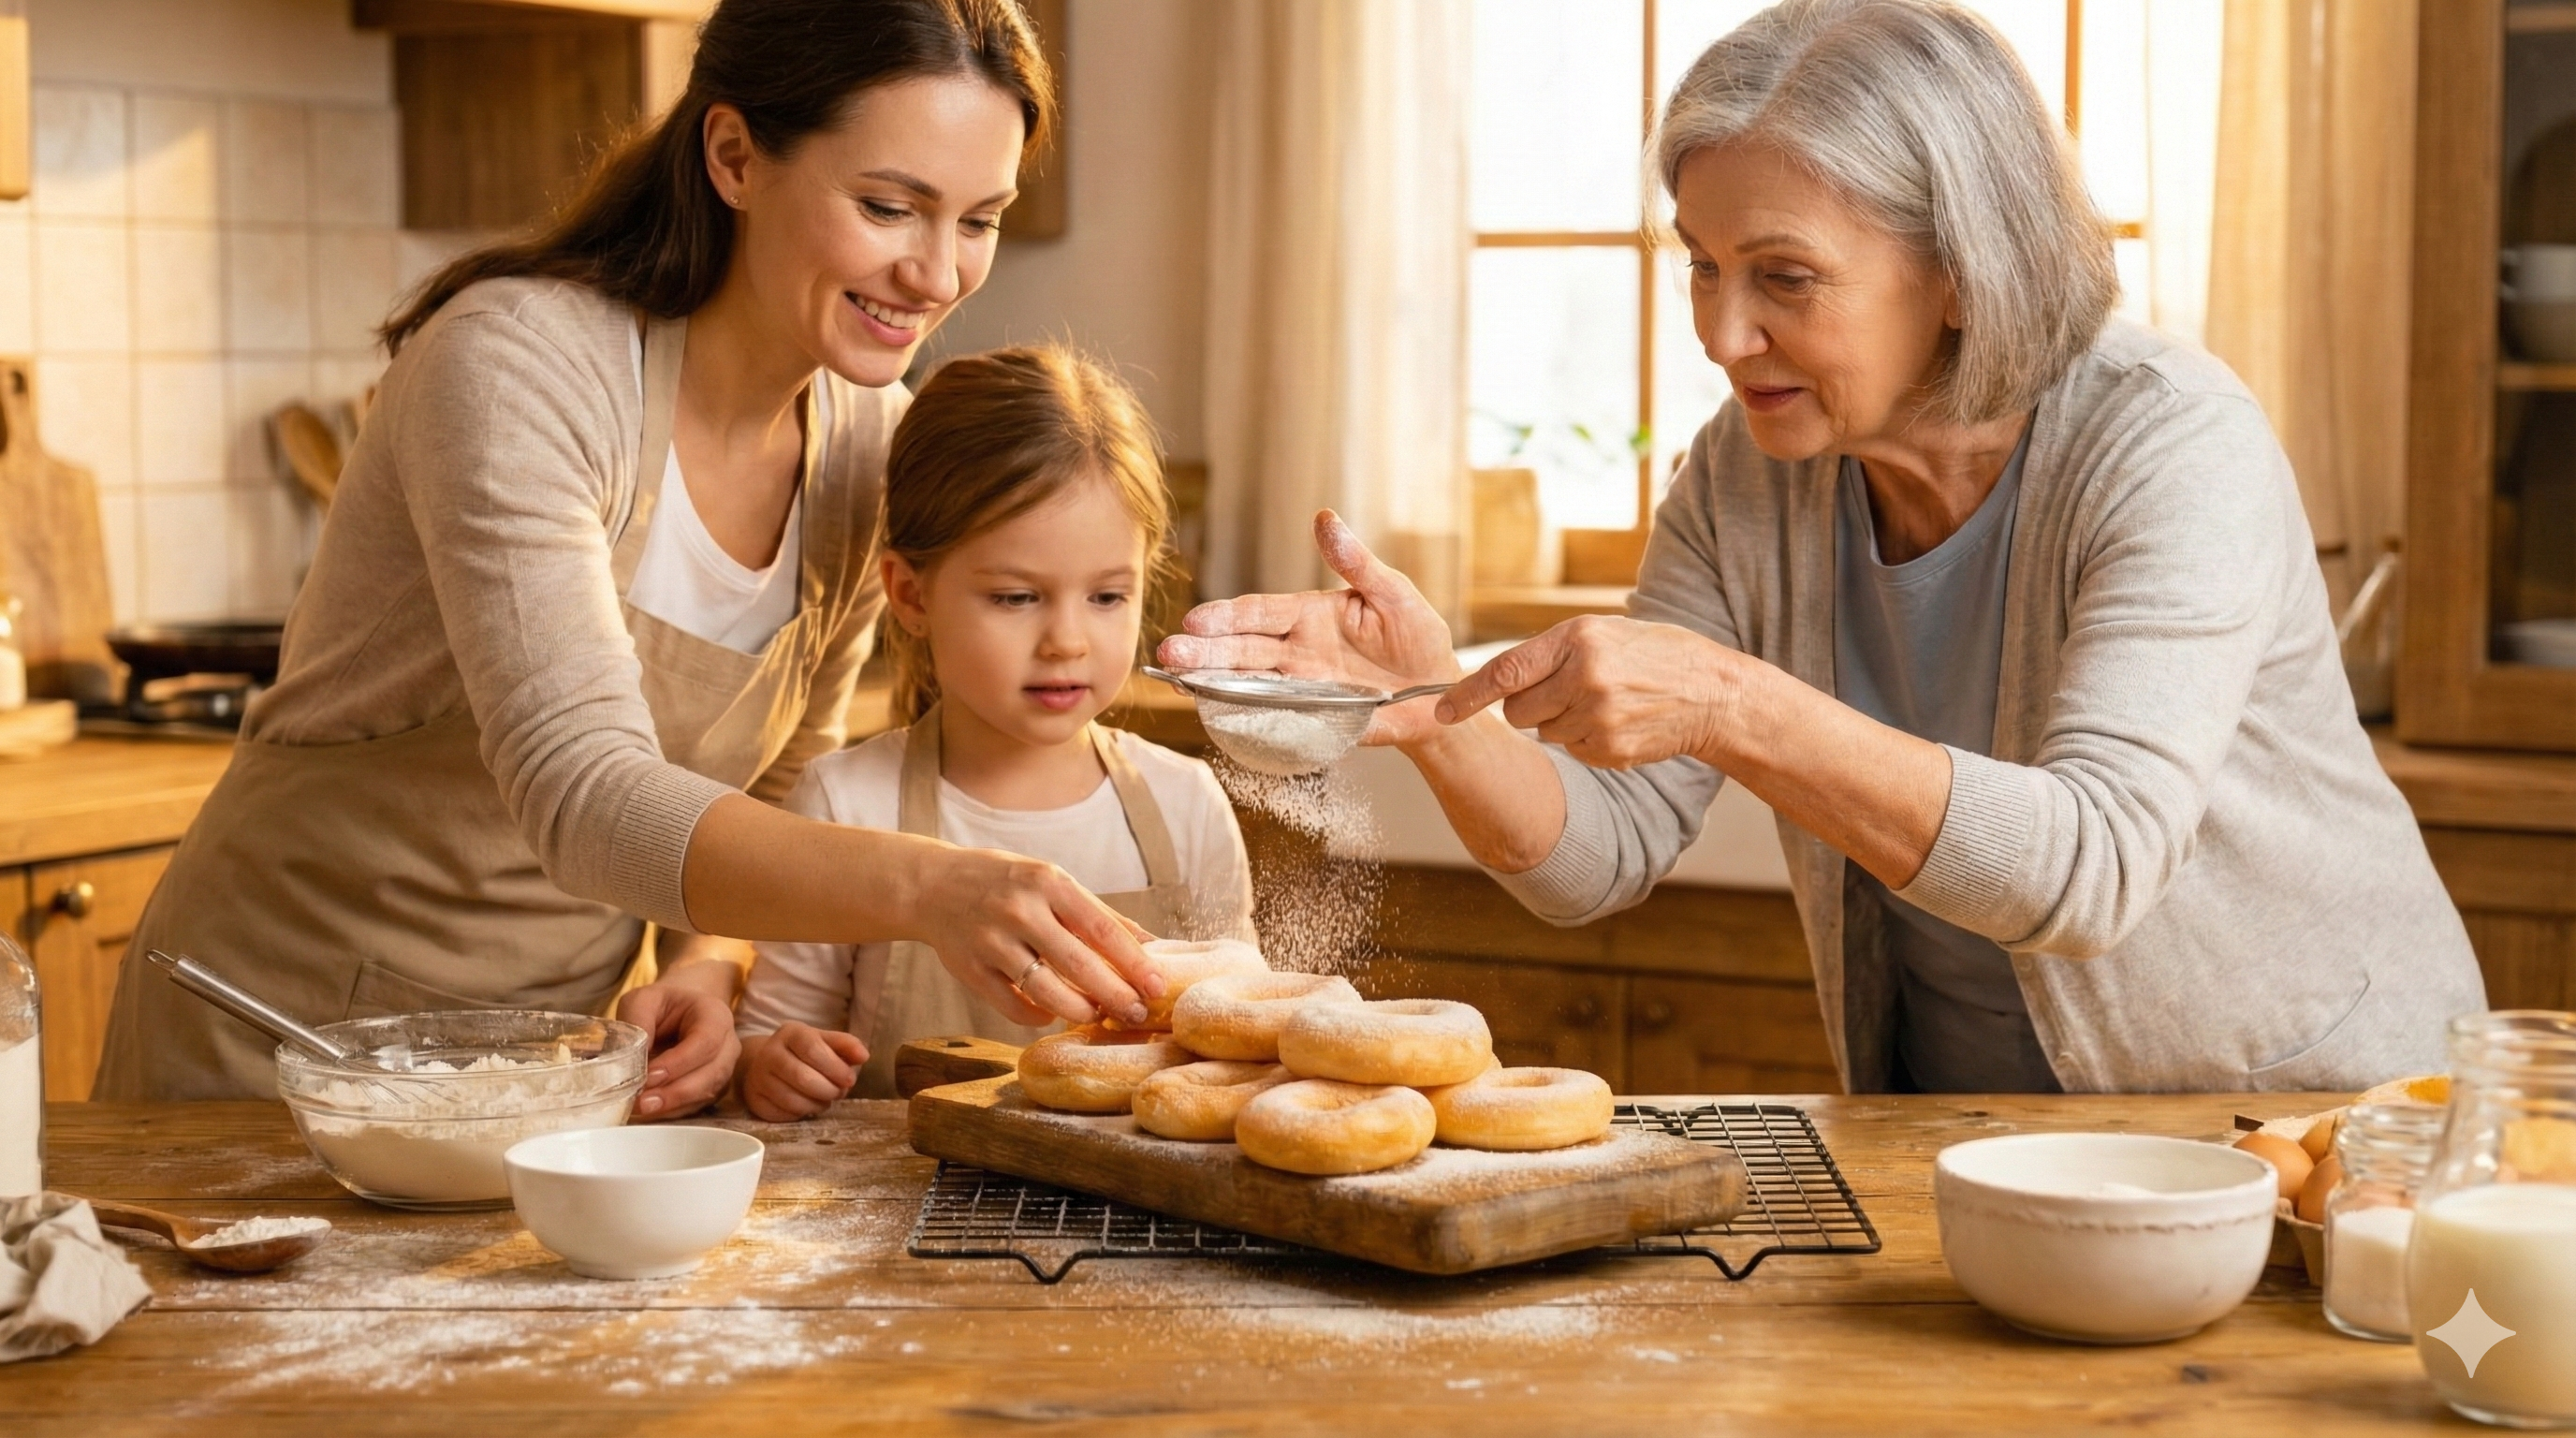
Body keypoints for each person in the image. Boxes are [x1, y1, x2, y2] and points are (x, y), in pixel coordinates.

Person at [1165, 0, 2486, 1093]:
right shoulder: (1747, 475)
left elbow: (2093, 867)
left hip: (2311, 1125)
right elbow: (1602, 857)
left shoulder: (2170, 444)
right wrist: (1432, 703)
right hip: (1977, 1137)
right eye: (1701, 266)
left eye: (1784, 279)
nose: (1722, 334)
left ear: (1965, 271)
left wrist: (1732, 704)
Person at [95, 0, 1164, 1108]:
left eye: (978, 220)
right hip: (278, 1047)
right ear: (736, 156)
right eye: (890, 207)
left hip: (546, 1069)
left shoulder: (865, 444)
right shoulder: (521, 369)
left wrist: (704, 960)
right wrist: (935, 888)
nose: (938, 275)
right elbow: (583, 790)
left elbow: (781, 777)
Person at [732, 348, 1255, 1119]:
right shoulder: (845, 804)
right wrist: (768, 1066)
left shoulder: (1187, 806)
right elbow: (772, 1036)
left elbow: (1238, 1043)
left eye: (1109, 595)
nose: (1068, 640)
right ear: (911, 596)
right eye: (1016, 598)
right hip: (899, 1217)